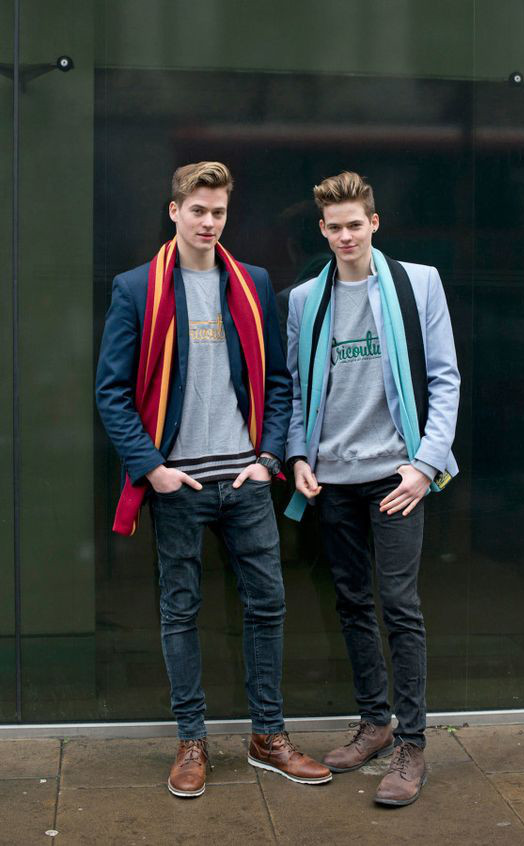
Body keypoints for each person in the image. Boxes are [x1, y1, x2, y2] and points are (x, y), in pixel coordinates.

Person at [96, 161, 331, 798]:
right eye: (197, 210)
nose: (208, 222)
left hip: (245, 481)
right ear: (174, 211)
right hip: (181, 487)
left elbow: (277, 382)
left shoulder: (252, 283)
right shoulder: (136, 289)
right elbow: (112, 392)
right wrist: (153, 470)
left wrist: (268, 460)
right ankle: (191, 741)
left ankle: (268, 736)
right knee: (181, 612)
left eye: (218, 212)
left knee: (268, 606)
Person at [284, 171, 460, 806]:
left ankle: (412, 743)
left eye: (355, 224)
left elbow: (444, 378)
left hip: (395, 478)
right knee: (353, 603)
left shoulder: (419, 284)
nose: (345, 236)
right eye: (334, 227)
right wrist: (297, 456)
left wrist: (425, 466)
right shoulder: (305, 300)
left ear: (374, 223)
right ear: (322, 230)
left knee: (400, 607)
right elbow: (295, 388)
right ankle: (374, 723)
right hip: (333, 480)